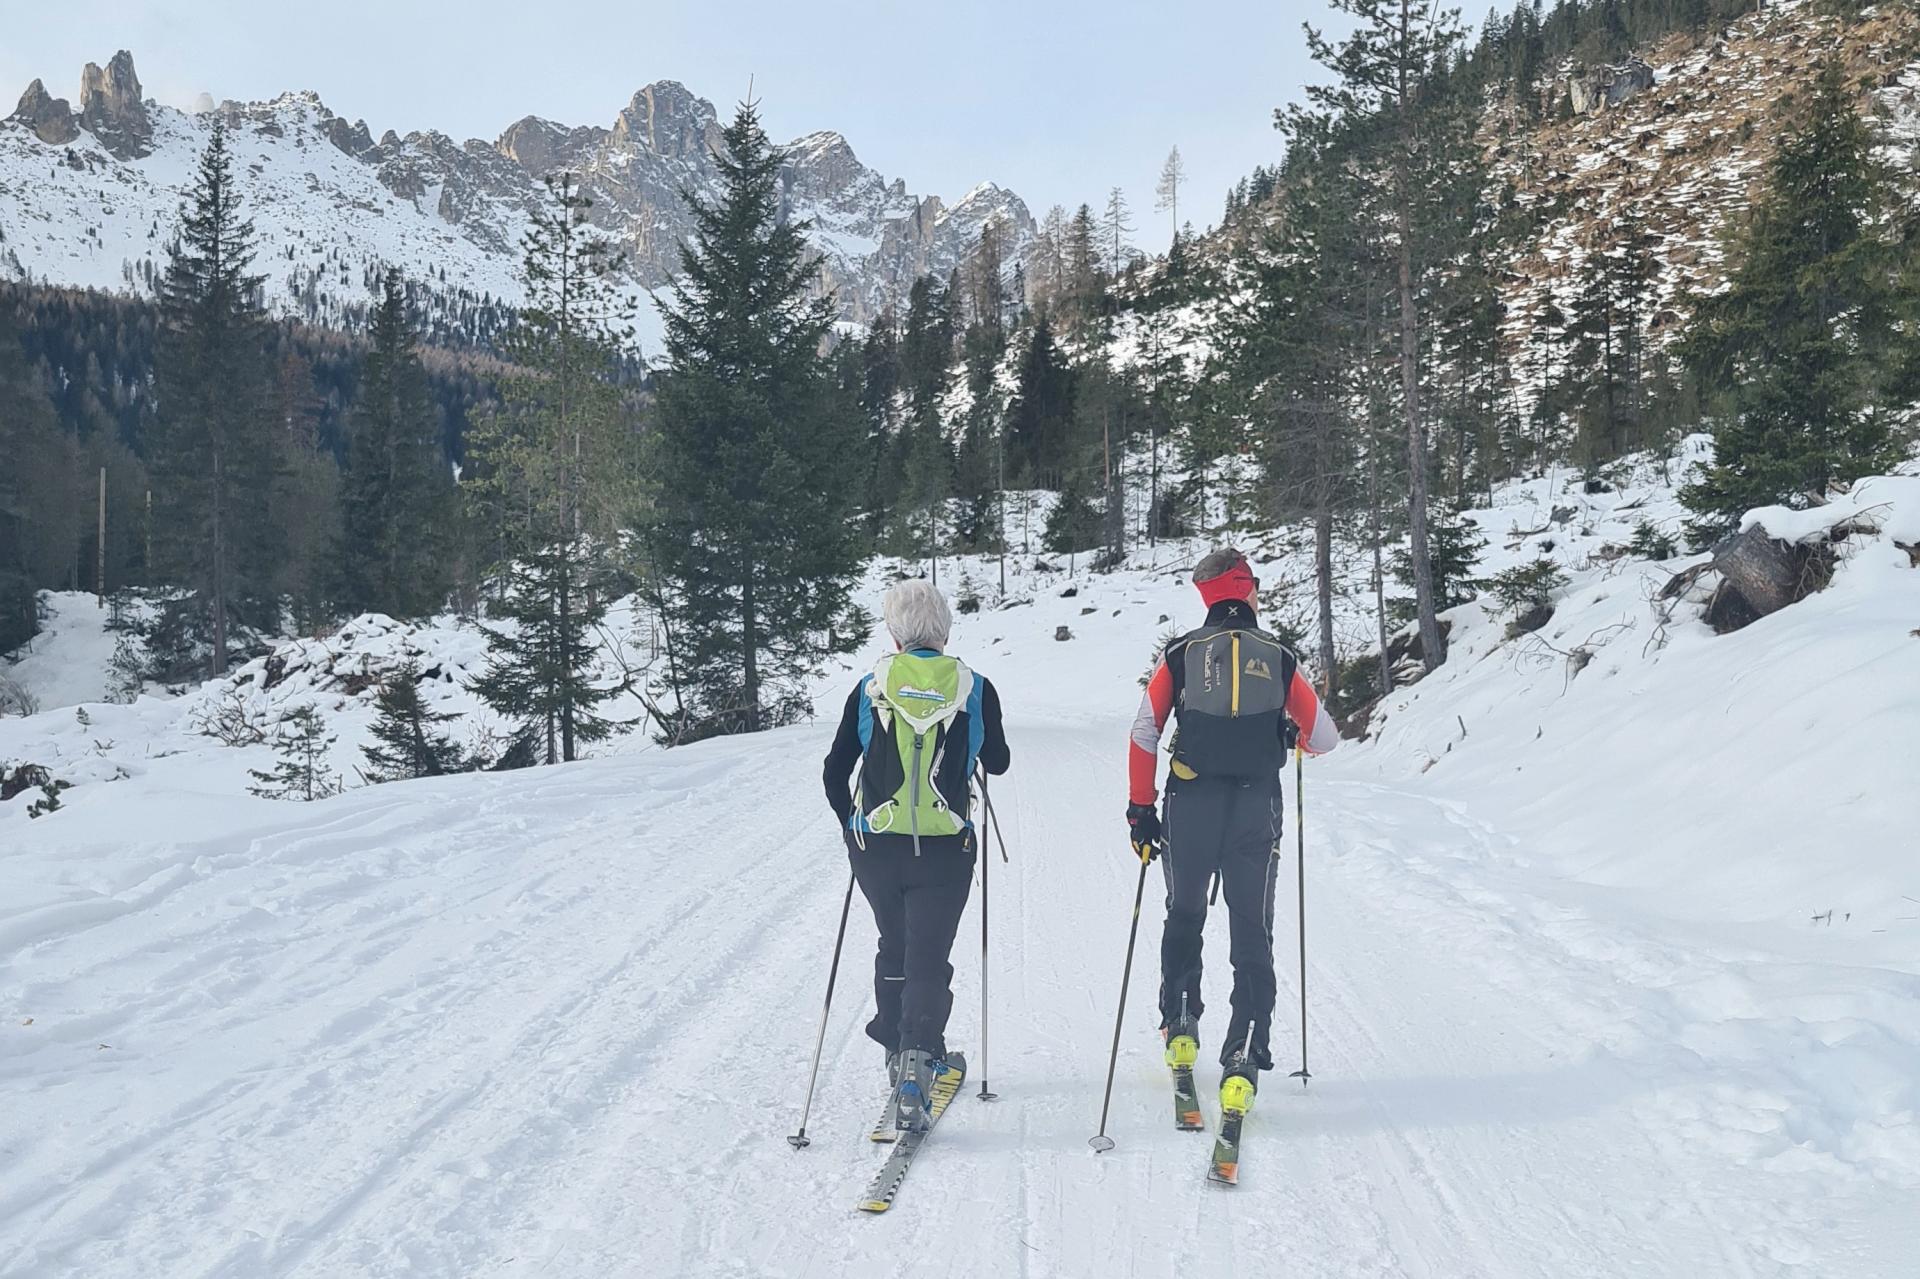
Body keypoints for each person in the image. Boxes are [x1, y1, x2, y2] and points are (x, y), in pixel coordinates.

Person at [1125, 547, 1338, 1117]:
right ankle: (1244, 1054)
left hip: (1190, 802)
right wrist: (1290, 734)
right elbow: (1326, 738)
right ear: (1244, 589)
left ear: (1206, 596)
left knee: (1185, 912)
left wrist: (1140, 809)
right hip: (1256, 808)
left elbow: (1144, 733)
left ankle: (1181, 1026)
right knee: (1252, 931)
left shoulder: (1181, 653)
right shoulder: (1280, 655)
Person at [823, 578, 1010, 1130]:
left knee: (894, 944)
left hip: (875, 847)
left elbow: (836, 769)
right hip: (946, 847)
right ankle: (918, 1061)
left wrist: (850, 826)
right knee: (928, 952)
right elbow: (996, 762)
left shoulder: (870, 685)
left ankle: (896, 1052)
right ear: (944, 629)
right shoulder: (974, 688)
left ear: (894, 631)